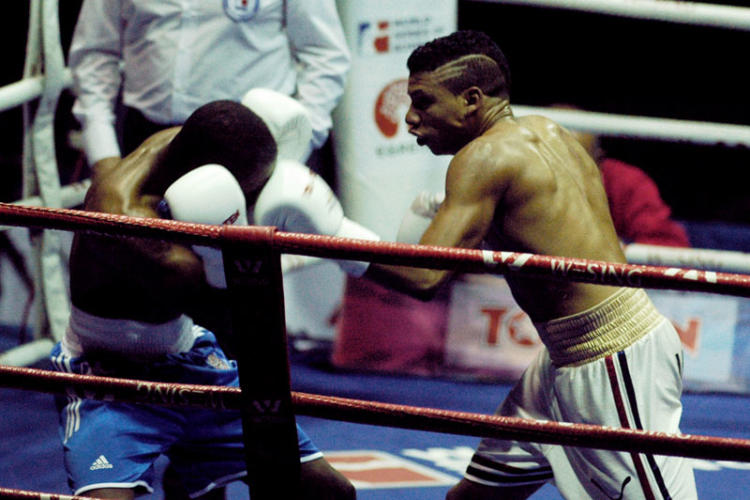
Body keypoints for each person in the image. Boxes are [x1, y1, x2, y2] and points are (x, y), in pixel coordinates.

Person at [363, 30, 697, 499]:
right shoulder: (551, 132)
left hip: (612, 362)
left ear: (471, 100)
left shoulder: (482, 159)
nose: (411, 118)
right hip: (564, 358)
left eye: (423, 101)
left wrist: (328, 236)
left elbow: (424, 277)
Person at [49, 100, 358, 500]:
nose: (250, 199)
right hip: (109, 376)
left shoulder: (184, 143)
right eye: (246, 192)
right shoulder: (127, 220)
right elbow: (232, 315)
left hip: (189, 356)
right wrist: (258, 241)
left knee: (332, 493)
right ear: (206, 175)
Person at [67, 0, 350, 173]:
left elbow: (325, 55)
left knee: (247, 256)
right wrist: (103, 156)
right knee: (146, 254)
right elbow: (95, 54)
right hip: (145, 141)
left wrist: (293, 151)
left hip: (254, 147)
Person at [565, 119, 691, 248]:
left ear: (598, 162)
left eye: (576, 164)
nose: (564, 176)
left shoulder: (626, 183)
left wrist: (614, 250)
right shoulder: (552, 190)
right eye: (555, 165)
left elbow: (669, 245)